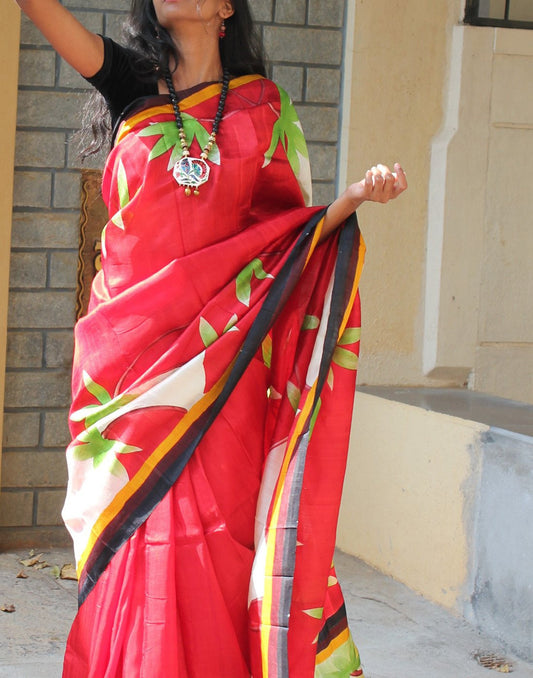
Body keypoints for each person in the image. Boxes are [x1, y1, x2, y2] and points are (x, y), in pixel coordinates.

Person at [14, 1, 407, 676]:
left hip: (226, 373)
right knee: (146, 543)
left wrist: (351, 199)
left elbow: (285, 239)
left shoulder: (264, 110)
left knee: (215, 545)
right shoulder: (128, 80)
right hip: (132, 373)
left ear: (226, 8)